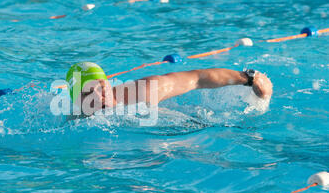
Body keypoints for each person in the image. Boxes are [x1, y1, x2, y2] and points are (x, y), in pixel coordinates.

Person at [65, 62, 273, 115]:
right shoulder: (70, 120)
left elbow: (197, 78)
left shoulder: (141, 93)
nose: (99, 97)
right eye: (87, 93)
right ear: (76, 101)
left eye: (101, 87)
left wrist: (249, 78)